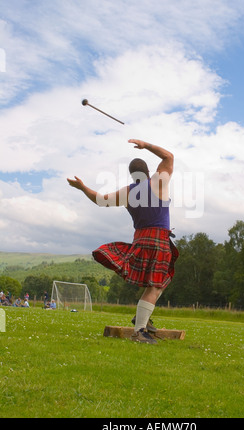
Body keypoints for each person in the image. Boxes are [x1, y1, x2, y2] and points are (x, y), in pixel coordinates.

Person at [67, 139, 179, 344]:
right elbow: (168, 157)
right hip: (158, 240)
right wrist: (147, 145)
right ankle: (139, 330)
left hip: (140, 240)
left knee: (158, 282)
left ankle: (141, 318)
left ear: (132, 175)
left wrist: (82, 187)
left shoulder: (127, 192)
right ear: (147, 172)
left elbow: (99, 200)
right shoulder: (157, 182)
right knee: (156, 285)